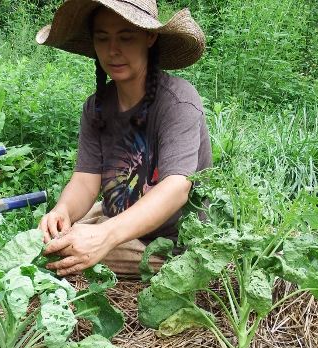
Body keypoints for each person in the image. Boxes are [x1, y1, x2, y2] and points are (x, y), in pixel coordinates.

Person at [36, 0, 211, 276]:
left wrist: (105, 234)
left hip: (169, 244)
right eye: (102, 38)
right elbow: (85, 180)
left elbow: (177, 188)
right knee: (48, 242)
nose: (112, 51)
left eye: (126, 38)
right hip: (114, 221)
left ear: (149, 37)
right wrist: (63, 212)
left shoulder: (178, 102)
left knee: (67, 259)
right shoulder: (96, 107)